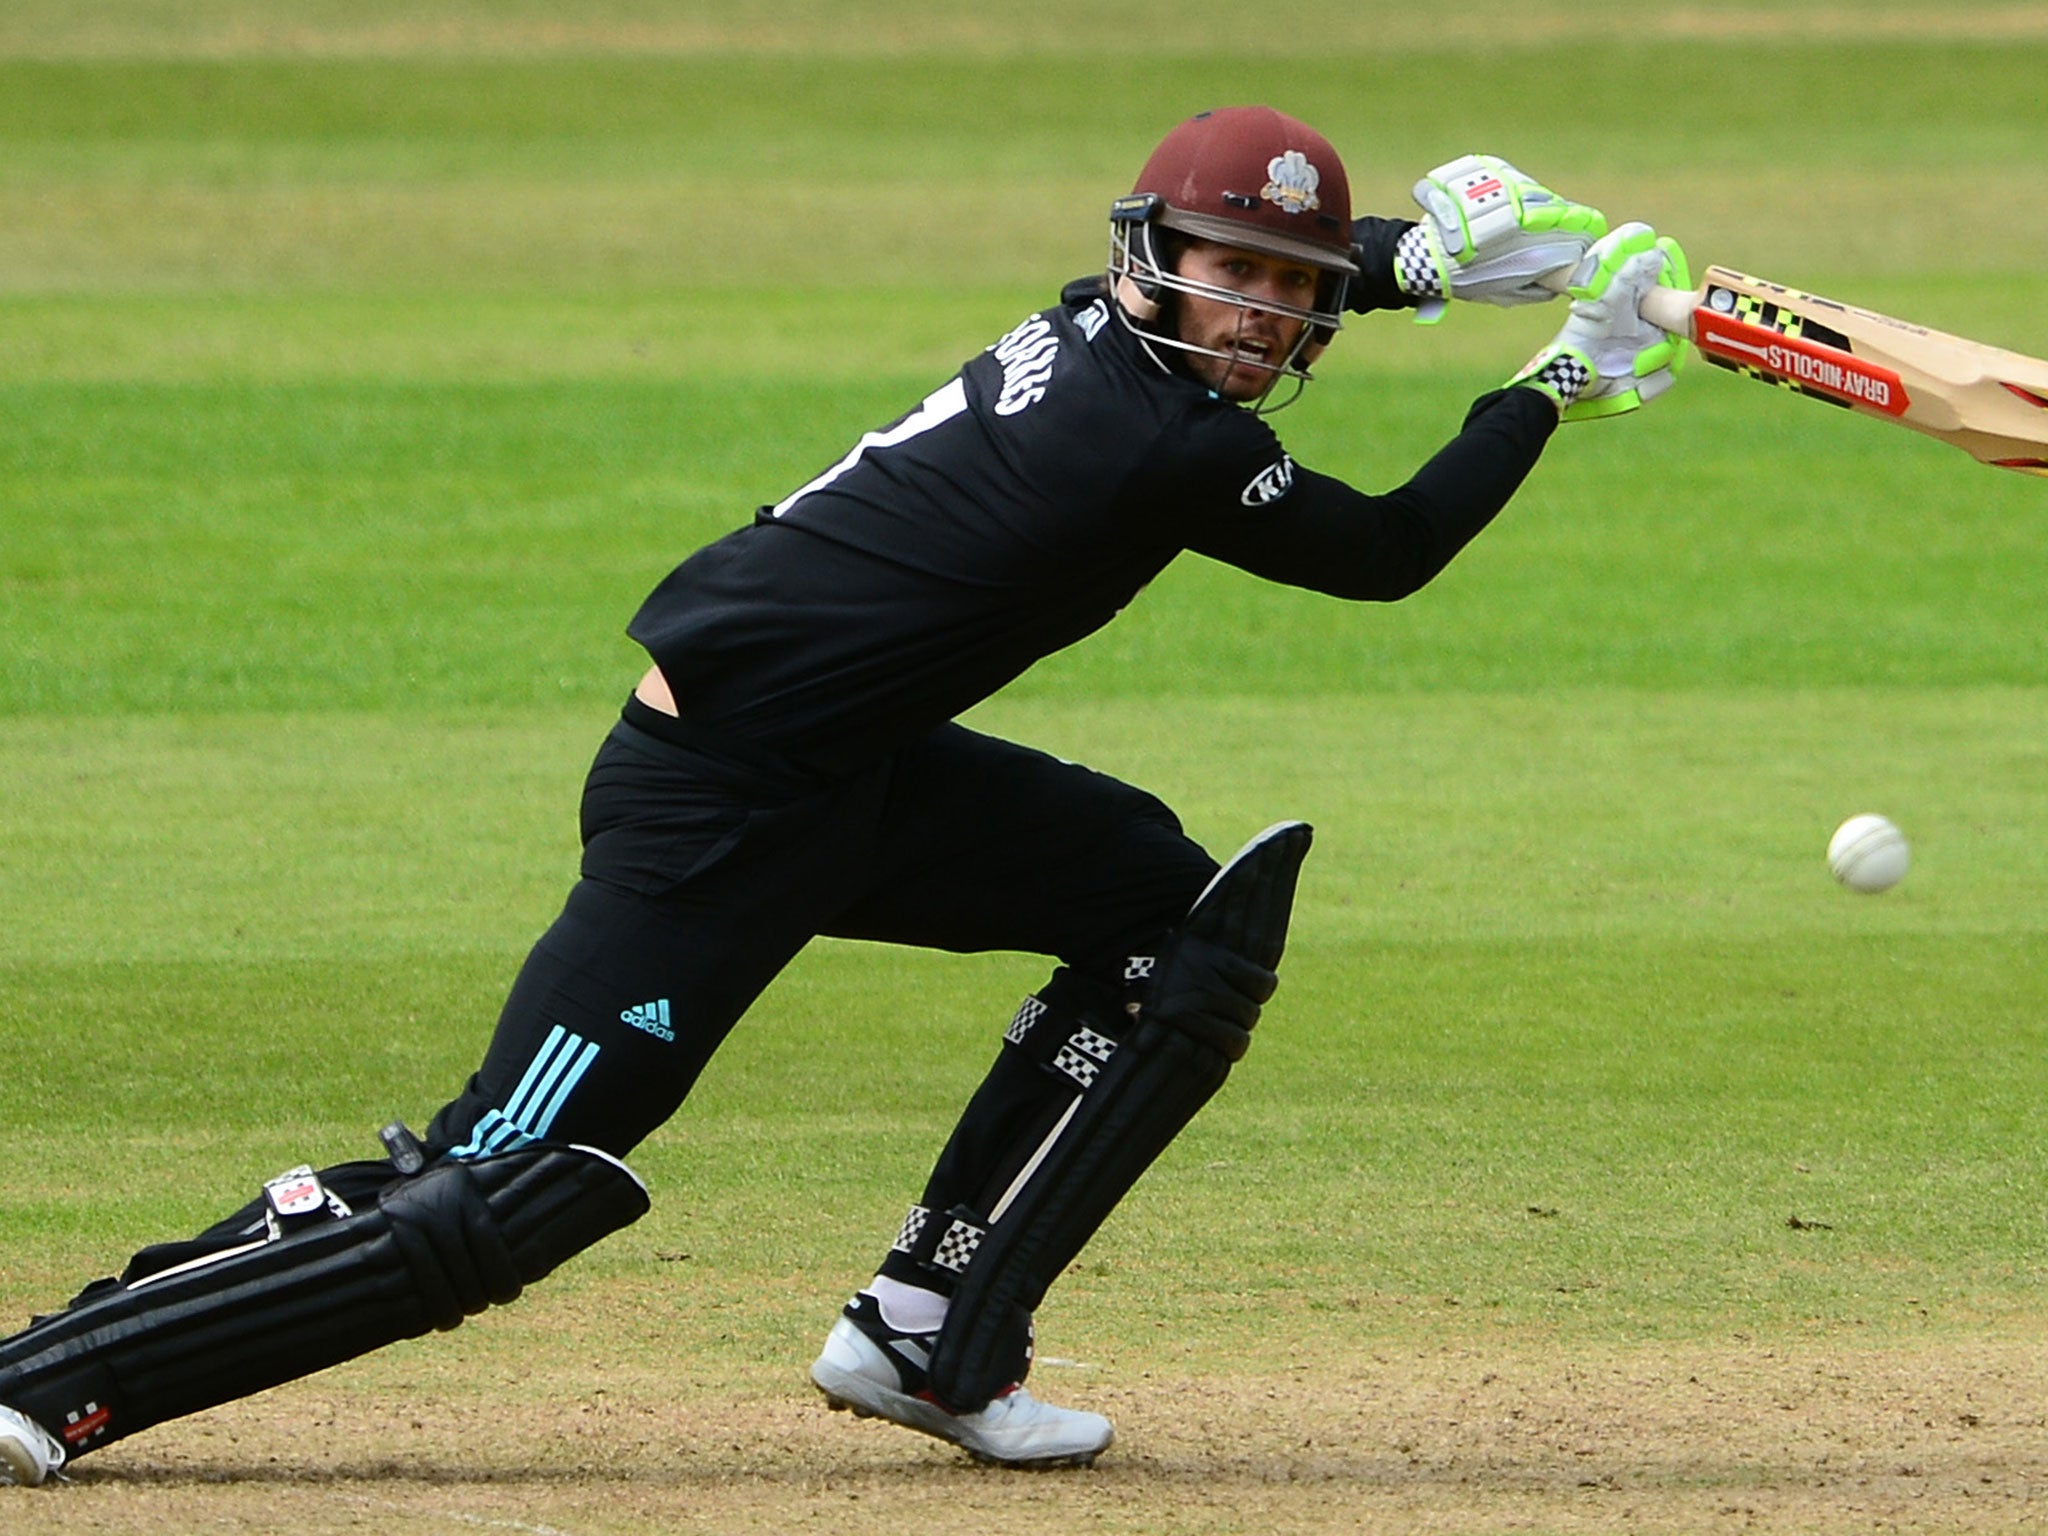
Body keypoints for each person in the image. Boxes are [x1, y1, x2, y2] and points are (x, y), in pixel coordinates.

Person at [0, 105, 1687, 1486]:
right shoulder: (1156, 444)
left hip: (848, 773)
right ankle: (55, 1374)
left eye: (1298, 285)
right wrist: (1551, 377)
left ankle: (933, 1332)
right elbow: (1385, 555)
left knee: (1159, 913)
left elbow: (1280, 274)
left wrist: (1445, 255)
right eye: (1230, 272)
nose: (1264, 311)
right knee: (514, 1173)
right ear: (1153, 264)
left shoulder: (1107, 325)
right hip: (718, 801)